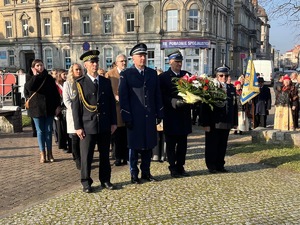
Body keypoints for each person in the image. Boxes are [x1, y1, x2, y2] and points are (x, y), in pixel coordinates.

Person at [72, 50, 117, 193]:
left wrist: (113, 122)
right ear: (86, 65)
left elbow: (110, 104)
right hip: (87, 125)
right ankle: (86, 182)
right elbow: (76, 108)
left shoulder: (105, 81)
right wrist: (78, 127)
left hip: (103, 124)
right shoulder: (80, 83)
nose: (95, 64)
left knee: (105, 155)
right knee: (86, 156)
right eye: (92, 62)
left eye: (96, 62)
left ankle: (105, 180)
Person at [119, 43, 163, 184]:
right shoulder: (126, 74)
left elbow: (157, 94)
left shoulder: (151, 73)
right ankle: (133, 174)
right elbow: (123, 97)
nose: (143, 58)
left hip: (149, 116)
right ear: (133, 58)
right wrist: (126, 116)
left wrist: (159, 113)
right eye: (140, 56)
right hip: (134, 117)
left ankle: (146, 172)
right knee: (134, 147)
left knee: (148, 146)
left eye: (144, 55)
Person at [198, 66, 238, 173]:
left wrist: (235, 122)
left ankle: (220, 164)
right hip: (213, 122)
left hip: (226, 121)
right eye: (221, 75)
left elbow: (234, 106)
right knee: (212, 144)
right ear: (217, 76)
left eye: (226, 75)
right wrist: (205, 123)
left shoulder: (231, 88)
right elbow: (204, 106)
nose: (224, 77)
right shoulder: (210, 87)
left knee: (222, 144)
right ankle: (211, 165)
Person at [159, 50, 192, 178]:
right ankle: (172, 167)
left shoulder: (186, 75)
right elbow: (160, 95)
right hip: (171, 115)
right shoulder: (163, 77)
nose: (179, 64)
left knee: (183, 144)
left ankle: (181, 166)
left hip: (184, 115)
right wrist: (172, 101)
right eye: (176, 62)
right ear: (170, 62)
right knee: (171, 144)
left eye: (180, 61)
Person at [24, 59, 61, 163]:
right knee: (40, 131)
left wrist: (57, 106)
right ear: (33, 67)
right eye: (37, 65)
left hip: (49, 108)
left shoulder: (48, 78)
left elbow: (55, 93)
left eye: (41, 65)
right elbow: (28, 89)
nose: (40, 67)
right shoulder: (30, 77)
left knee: (49, 131)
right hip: (36, 108)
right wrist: (35, 76)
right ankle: (42, 154)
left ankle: (50, 153)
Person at [105, 54, 129, 166]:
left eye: (125, 61)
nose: (124, 63)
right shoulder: (110, 75)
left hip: (128, 108)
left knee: (126, 134)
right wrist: (114, 96)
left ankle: (126, 156)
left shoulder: (129, 73)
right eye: (121, 61)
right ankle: (118, 157)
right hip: (116, 108)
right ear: (116, 62)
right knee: (117, 135)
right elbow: (105, 90)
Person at [63, 63, 83, 170]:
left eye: (80, 69)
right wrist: (76, 109)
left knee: (82, 137)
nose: (78, 71)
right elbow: (66, 100)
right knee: (75, 138)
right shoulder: (67, 84)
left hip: (84, 113)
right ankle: (77, 158)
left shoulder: (84, 82)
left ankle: (83, 157)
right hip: (72, 114)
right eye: (76, 69)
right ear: (72, 71)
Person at [54, 69, 71, 152]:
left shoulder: (68, 83)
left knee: (68, 127)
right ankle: (63, 145)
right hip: (59, 108)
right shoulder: (56, 85)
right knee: (61, 128)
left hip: (67, 107)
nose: (65, 76)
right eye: (64, 74)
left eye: (66, 74)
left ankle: (70, 145)